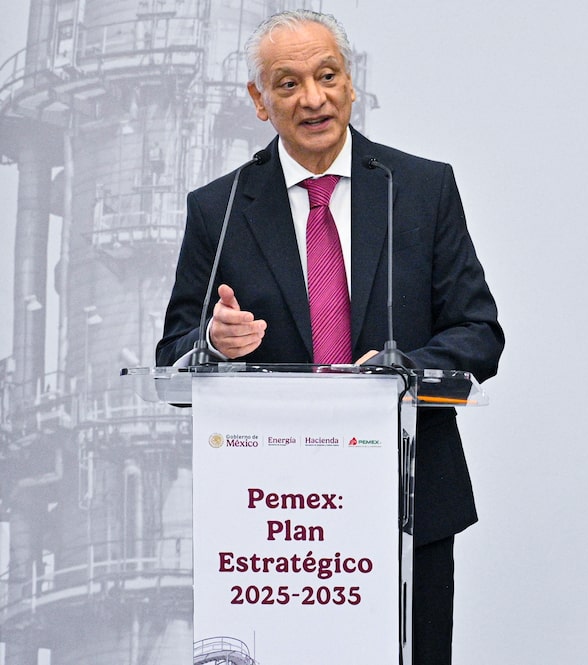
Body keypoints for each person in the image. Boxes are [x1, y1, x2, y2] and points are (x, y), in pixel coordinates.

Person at [156, 10, 503, 664]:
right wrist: (214, 343)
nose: (313, 99)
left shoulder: (420, 189)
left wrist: (404, 370)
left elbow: (479, 333)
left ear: (350, 83)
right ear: (259, 100)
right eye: (288, 84)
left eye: (327, 76)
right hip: (273, 523)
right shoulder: (219, 208)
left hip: (408, 503)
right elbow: (173, 357)